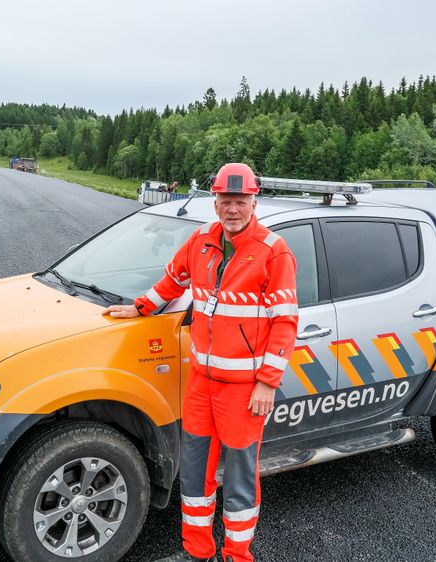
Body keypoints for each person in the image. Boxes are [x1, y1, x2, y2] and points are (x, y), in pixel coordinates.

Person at [103, 163, 299, 562]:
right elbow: (172, 280)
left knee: (241, 476)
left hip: (243, 390)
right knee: (193, 474)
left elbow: (285, 321)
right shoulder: (201, 241)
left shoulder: (273, 251)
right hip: (200, 385)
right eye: (226, 200)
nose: (232, 209)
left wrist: (267, 382)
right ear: (215, 200)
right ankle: (198, 551)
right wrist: (141, 308)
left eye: (240, 201)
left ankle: (237, 554)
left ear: (253, 201)